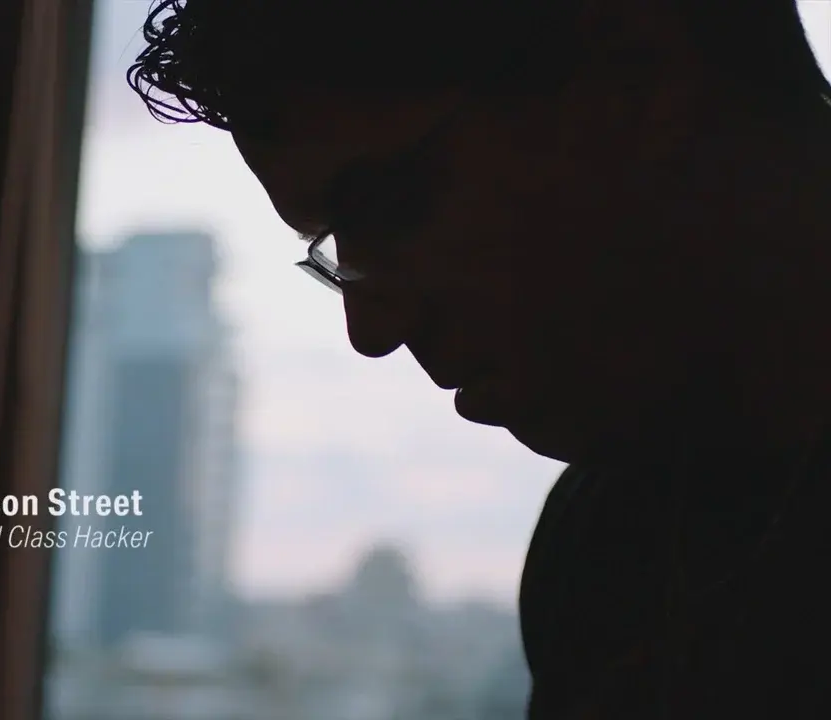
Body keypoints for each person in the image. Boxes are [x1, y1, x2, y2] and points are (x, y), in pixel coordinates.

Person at [126, 0, 831, 717]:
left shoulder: (610, 546)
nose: (371, 330)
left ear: (638, 77)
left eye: (387, 208)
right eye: (338, 251)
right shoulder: (605, 542)